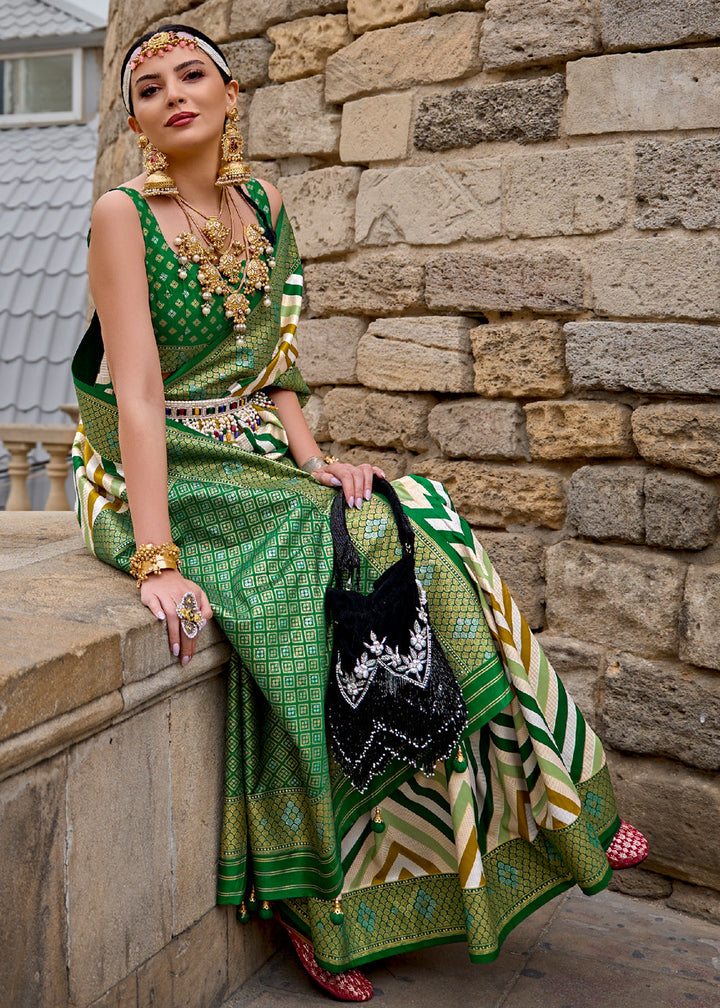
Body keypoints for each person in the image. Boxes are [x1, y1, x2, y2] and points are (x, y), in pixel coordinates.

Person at [72, 25, 648, 1003]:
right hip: (151, 461)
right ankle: (313, 901)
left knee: (412, 509)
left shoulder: (267, 205)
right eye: (148, 85)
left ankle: (562, 803)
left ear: (229, 93)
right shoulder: (121, 217)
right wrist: (157, 559)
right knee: (319, 558)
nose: (172, 92)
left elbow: (280, 364)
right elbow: (133, 396)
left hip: (255, 443)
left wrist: (315, 458)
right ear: (133, 121)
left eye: (192, 74)